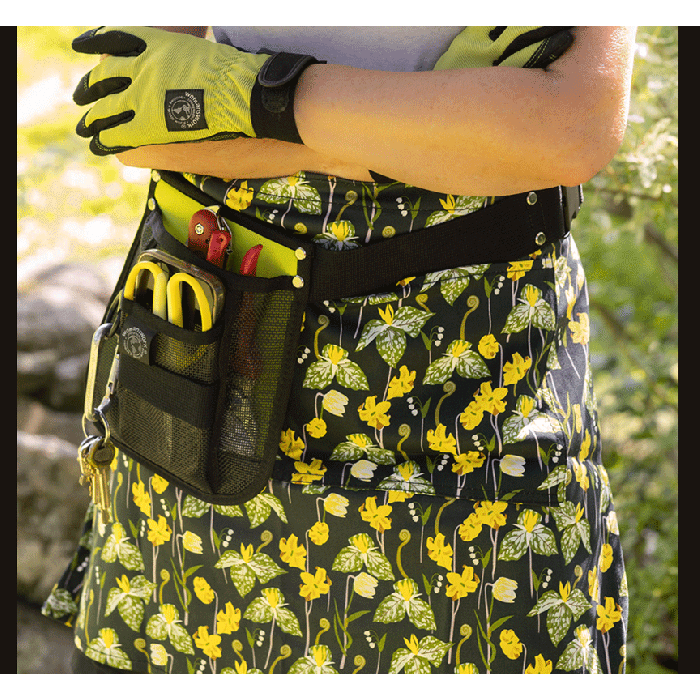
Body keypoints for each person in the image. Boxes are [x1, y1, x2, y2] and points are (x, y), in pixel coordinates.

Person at [43, 26, 636, 674]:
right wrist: (432, 137)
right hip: (213, 383)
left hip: (472, 401)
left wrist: (260, 98)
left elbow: (569, 129)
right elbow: (130, 111)